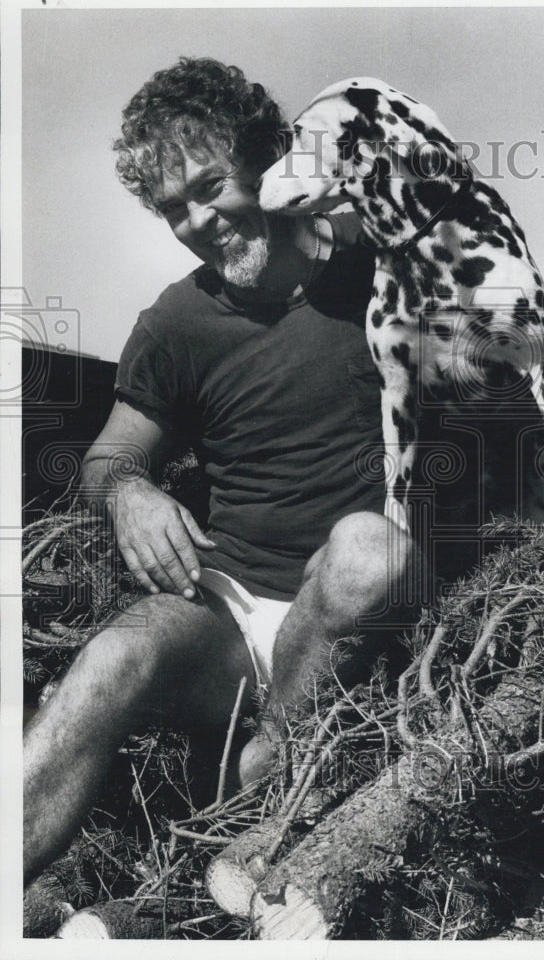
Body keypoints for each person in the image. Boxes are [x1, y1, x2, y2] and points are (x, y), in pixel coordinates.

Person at [23, 57, 419, 886]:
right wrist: (130, 491)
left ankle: (261, 784)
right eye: (174, 208)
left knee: (364, 551)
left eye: (212, 186)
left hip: (360, 622)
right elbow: (108, 457)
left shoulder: (383, 272)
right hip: (231, 613)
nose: (200, 220)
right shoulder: (177, 323)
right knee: (111, 659)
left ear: (270, 162)